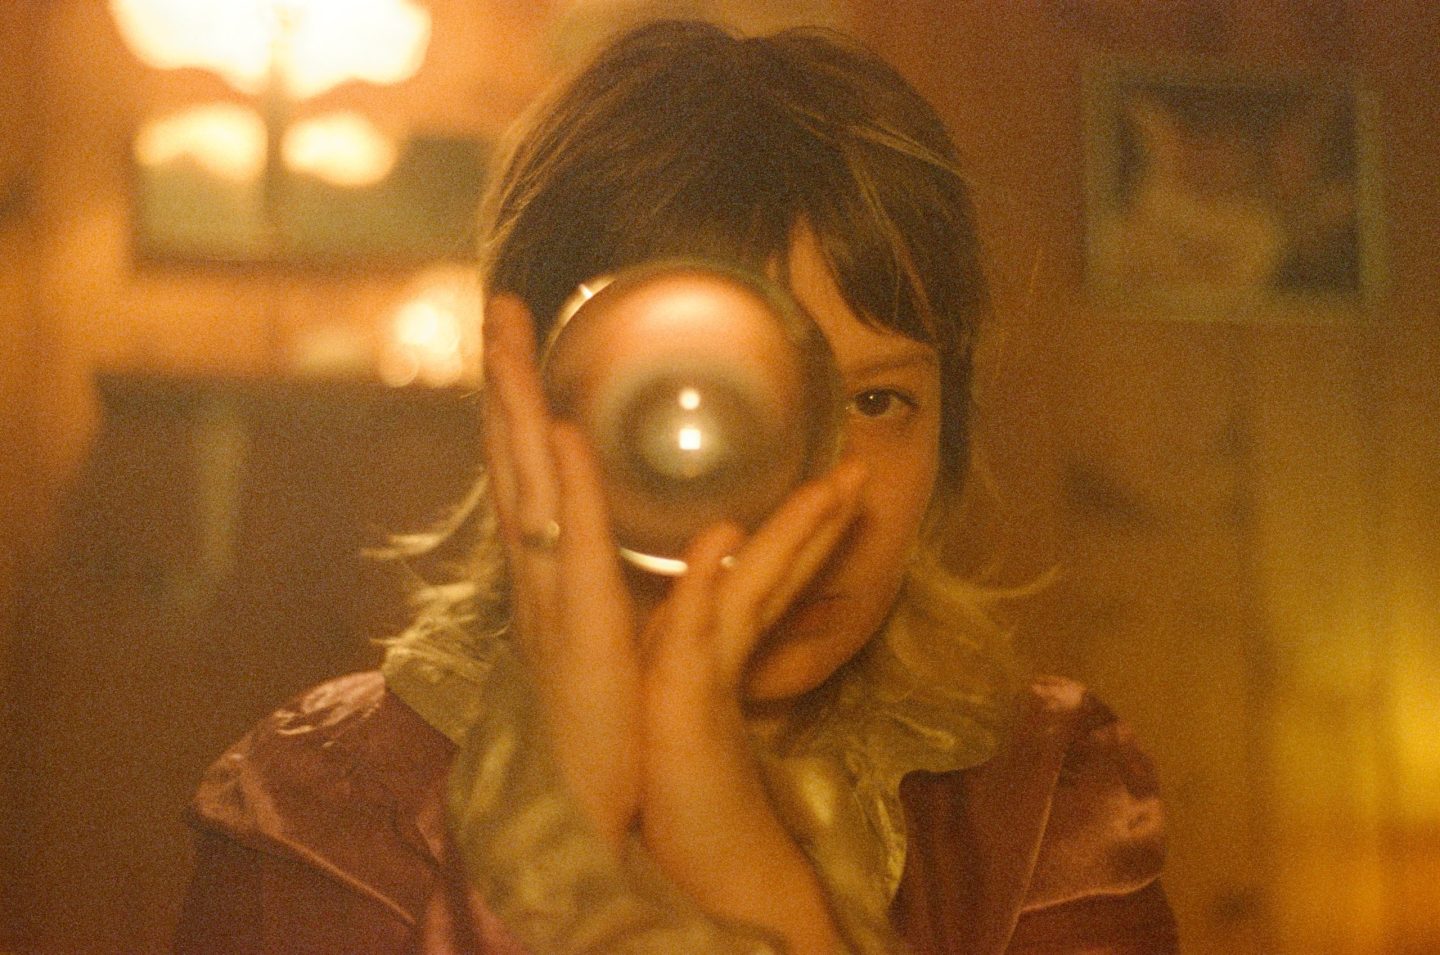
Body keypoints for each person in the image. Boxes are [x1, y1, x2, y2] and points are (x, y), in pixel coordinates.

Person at [175, 19, 1179, 954]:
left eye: (875, 402)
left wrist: (758, 883)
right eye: (715, 410)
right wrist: (550, 850)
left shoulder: (1045, 804)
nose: (805, 497)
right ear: (538, 411)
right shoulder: (322, 814)